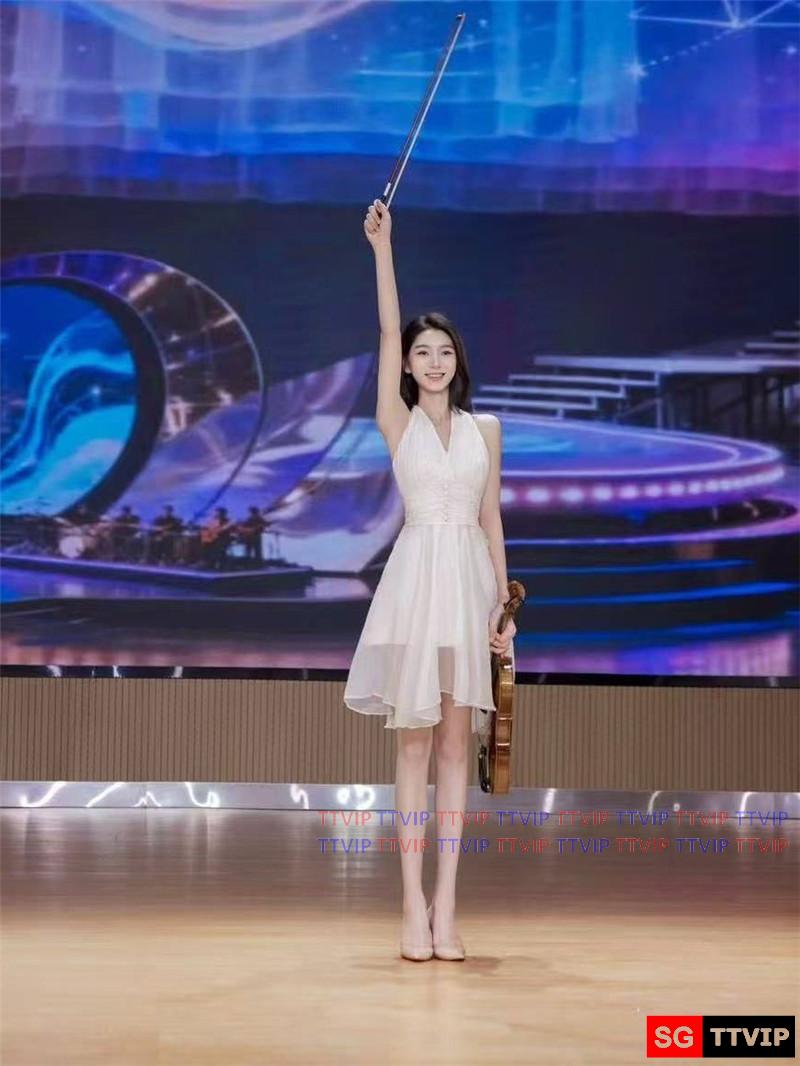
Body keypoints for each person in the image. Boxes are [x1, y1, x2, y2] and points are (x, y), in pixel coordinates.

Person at [343, 199, 516, 963]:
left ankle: (448, 904)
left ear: (458, 361)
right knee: (413, 749)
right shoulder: (397, 422)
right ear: (409, 366)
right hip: (415, 589)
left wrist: (504, 609)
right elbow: (386, 329)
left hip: (470, 592)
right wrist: (382, 249)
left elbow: (491, 519)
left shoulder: (486, 431)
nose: (433, 361)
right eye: (422, 353)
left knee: (454, 750)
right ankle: (410, 905)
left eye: (444, 351)